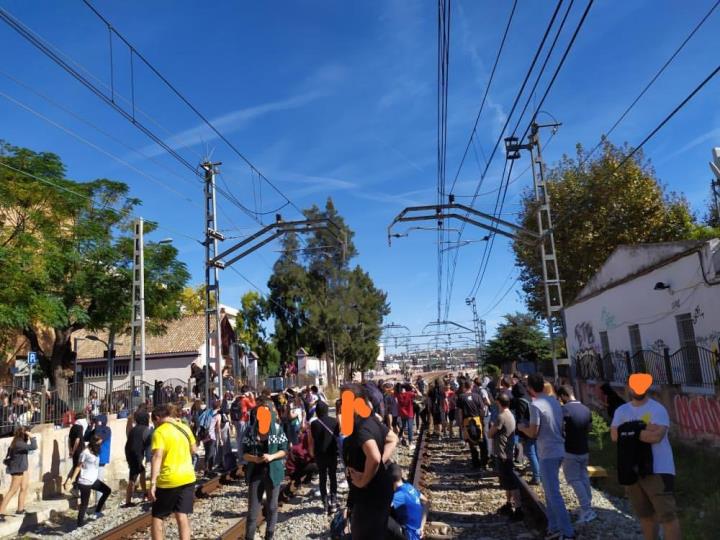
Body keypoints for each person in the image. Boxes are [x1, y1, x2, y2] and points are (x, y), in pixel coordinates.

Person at [610, 382, 680, 540]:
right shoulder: (622, 410)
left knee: (667, 516)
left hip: (658, 469)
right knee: (645, 516)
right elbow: (614, 436)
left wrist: (627, 431)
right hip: (632, 471)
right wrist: (642, 429)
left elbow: (656, 437)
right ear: (628, 387)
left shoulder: (657, 409)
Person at [518, 373, 574, 540]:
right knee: (550, 492)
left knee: (554, 494)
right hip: (558, 449)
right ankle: (553, 526)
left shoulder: (536, 405)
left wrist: (522, 428)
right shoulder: (554, 401)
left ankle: (567, 532)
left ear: (530, 389)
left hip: (547, 452)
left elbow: (533, 433)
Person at [342, 383, 398, 538]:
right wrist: (380, 462)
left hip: (369, 494)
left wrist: (363, 480)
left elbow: (373, 457)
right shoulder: (371, 419)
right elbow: (393, 438)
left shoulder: (361, 428)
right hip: (379, 490)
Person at [242, 397, 289, 540]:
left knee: (272, 507)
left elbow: (284, 450)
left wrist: (272, 456)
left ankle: (270, 534)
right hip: (256, 473)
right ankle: (249, 537)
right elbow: (244, 453)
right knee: (252, 512)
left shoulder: (277, 429)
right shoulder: (250, 431)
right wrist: (255, 459)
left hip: (273, 472)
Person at [148, 404, 197, 540]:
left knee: (158, 516)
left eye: (154, 422)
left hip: (168, 479)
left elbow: (157, 457)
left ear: (157, 418)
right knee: (182, 515)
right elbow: (194, 449)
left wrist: (152, 483)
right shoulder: (184, 427)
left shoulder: (159, 432)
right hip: (188, 477)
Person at [556, 385, 596, 524]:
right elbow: (589, 428)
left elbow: (560, 429)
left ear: (563, 396)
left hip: (570, 450)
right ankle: (588, 506)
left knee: (573, 479)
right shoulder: (586, 409)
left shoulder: (564, 410)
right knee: (584, 477)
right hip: (584, 449)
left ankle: (586, 510)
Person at [488, 393, 523, 522]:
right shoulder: (510, 415)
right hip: (507, 453)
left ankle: (518, 510)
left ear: (498, 403)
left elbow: (490, 434)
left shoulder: (501, 417)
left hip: (503, 454)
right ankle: (508, 505)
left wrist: (491, 426)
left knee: (511, 484)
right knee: (507, 483)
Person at [64, 435, 111, 526]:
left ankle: (97, 512)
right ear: (94, 443)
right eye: (98, 443)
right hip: (85, 481)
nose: (100, 445)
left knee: (107, 491)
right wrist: (72, 480)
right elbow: (78, 467)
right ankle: (80, 524)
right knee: (84, 504)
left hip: (93, 480)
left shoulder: (95, 451)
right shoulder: (85, 453)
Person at [308, 400, 339, 514]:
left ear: (317, 411)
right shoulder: (334, 422)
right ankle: (334, 502)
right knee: (333, 477)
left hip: (320, 454)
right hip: (332, 453)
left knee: (322, 478)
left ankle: (325, 505)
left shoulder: (314, 424)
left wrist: (311, 452)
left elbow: (311, 440)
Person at [0, 427, 37, 520]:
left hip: (23, 468)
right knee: (13, 490)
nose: (29, 435)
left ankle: (20, 509)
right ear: (24, 434)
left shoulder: (19, 442)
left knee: (24, 487)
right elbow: (34, 446)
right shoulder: (19, 443)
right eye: (28, 433)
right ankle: (1, 512)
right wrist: (32, 437)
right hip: (17, 469)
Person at [386, 463, 427, 540]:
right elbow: (425, 500)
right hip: (417, 531)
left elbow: (381, 509)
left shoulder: (398, 495)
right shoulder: (409, 487)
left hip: (408, 535)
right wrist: (421, 526)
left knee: (382, 517)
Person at [512, 383, 539, 485]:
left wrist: (520, 432)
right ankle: (539, 474)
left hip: (527, 430)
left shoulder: (519, 401)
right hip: (535, 427)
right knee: (535, 453)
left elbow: (521, 419)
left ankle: (536, 477)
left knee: (530, 453)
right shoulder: (529, 398)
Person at [455, 381, 487, 469]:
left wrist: (461, 424)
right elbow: (482, 409)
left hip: (467, 421)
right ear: (471, 387)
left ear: (464, 387)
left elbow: (460, 412)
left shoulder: (461, 397)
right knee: (481, 441)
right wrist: (482, 420)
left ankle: (476, 463)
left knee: (471, 442)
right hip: (477, 420)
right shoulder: (477, 396)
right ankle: (484, 462)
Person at [124, 409, 152, 507]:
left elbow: (127, 432)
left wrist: (129, 420)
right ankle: (128, 501)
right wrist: (149, 459)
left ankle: (145, 493)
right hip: (137, 454)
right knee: (133, 477)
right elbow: (148, 446)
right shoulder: (146, 430)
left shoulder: (134, 429)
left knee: (142, 471)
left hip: (129, 452)